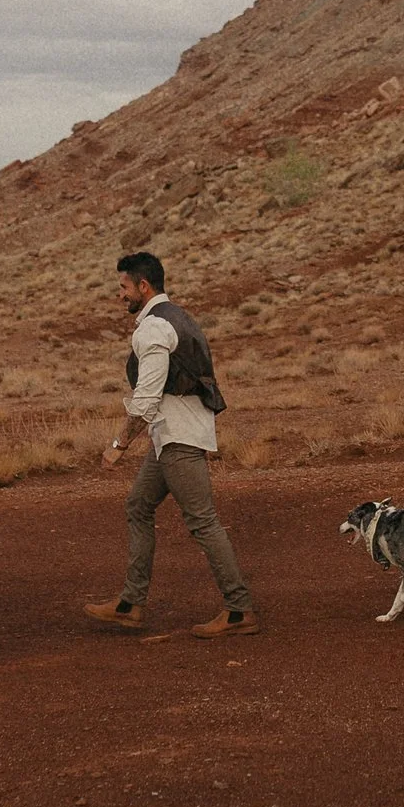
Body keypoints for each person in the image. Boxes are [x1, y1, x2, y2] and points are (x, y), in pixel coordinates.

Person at [85, 252, 256, 637]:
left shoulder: (153, 327)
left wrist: (119, 443)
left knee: (204, 522)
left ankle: (239, 609)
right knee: (138, 505)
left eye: (124, 287)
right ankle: (130, 604)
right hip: (170, 437)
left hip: (178, 437)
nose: (120, 295)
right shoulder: (177, 316)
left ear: (143, 287)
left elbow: (147, 395)